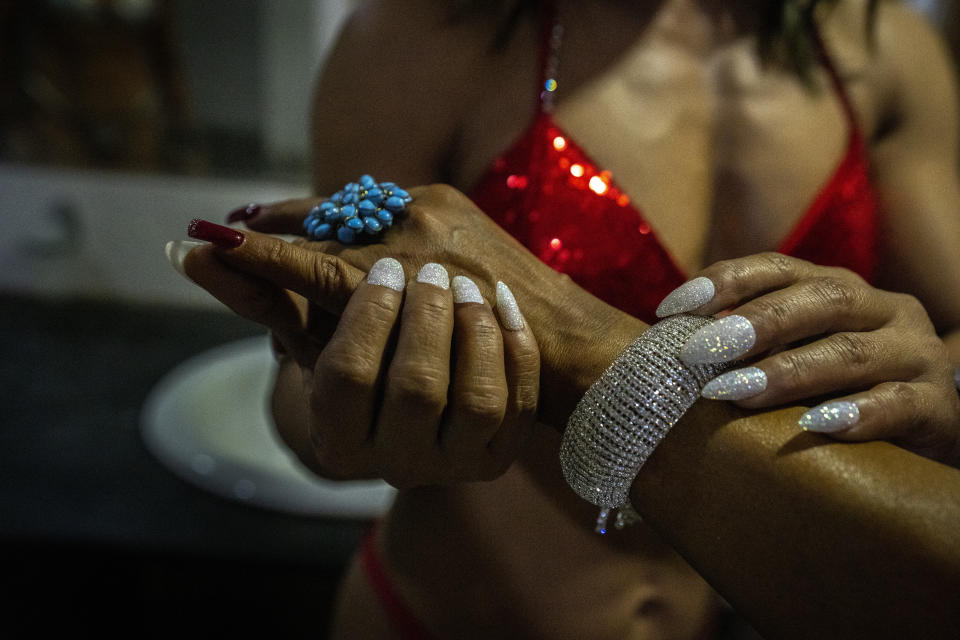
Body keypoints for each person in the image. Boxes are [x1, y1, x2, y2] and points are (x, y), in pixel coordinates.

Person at [169, 0, 960, 637]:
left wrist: (927, 379)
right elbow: (311, 381)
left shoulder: (876, 45)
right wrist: (341, 406)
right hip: (457, 616)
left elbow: (945, 344)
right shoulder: (433, 31)